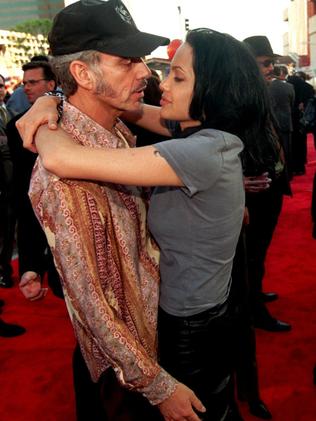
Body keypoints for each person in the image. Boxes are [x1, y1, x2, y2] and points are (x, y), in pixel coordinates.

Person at [18, 21, 282, 421]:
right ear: (83, 73)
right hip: (191, 317)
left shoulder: (201, 152)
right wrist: (52, 98)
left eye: (177, 75)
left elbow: (60, 159)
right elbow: (139, 111)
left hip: (191, 326)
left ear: (210, 89)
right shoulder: (204, 132)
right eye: (129, 61)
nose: (153, 77)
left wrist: (45, 116)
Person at [17, 2, 206, 421]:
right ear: (83, 74)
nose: (145, 72)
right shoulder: (64, 173)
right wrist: (158, 387)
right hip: (123, 378)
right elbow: (90, 302)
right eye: (127, 61)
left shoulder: (116, 126)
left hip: (151, 340)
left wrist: (51, 99)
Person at [243, 35, 292, 332]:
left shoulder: (263, 93)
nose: (271, 68)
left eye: (271, 62)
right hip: (254, 190)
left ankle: (256, 295)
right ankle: (253, 311)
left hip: (270, 184)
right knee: (252, 253)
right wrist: (235, 179)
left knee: (259, 251)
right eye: (264, 63)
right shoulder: (238, 98)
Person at [6, 60, 62, 300]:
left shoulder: (68, 122)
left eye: (33, 82)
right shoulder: (14, 126)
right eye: (25, 83)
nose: (26, 88)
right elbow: (23, 189)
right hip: (35, 212)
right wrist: (31, 265)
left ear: (51, 84)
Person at [0, 73, 15, 288]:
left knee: (7, 229)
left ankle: (4, 269)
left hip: (10, 181)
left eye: (1, 85)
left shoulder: (8, 111)